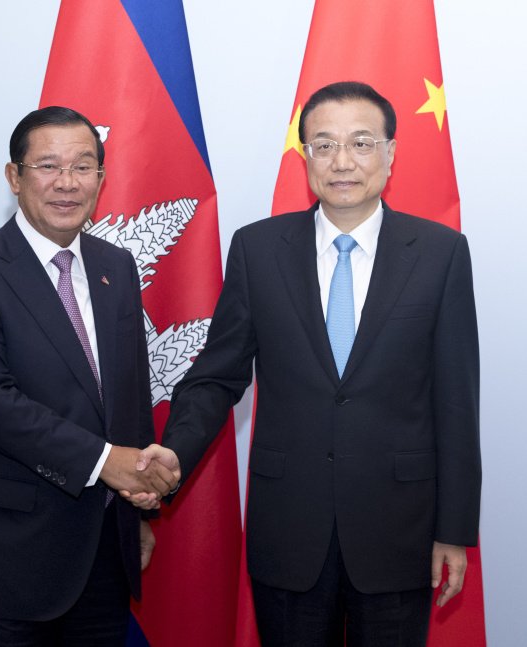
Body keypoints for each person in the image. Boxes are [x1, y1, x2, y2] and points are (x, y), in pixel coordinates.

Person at [126, 82, 481, 646]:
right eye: (324, 144)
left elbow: (456, 402)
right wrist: (172, 455)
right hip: (289, 527)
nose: (342, 161)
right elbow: (218, 377)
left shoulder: (441, 253)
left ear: (390, 152)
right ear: (305, 155)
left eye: (361, 143)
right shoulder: (258, 249)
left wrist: (454, 530)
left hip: (399, 530)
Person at [0, 106, 179, 647]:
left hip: (104, 553)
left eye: (83, 167)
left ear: (101, 180)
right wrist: (108, 462)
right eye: (48, 166)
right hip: (4, 557)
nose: (67, 182)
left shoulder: (116, 266)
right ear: (14, 177)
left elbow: (129, 395)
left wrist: (137, 509)